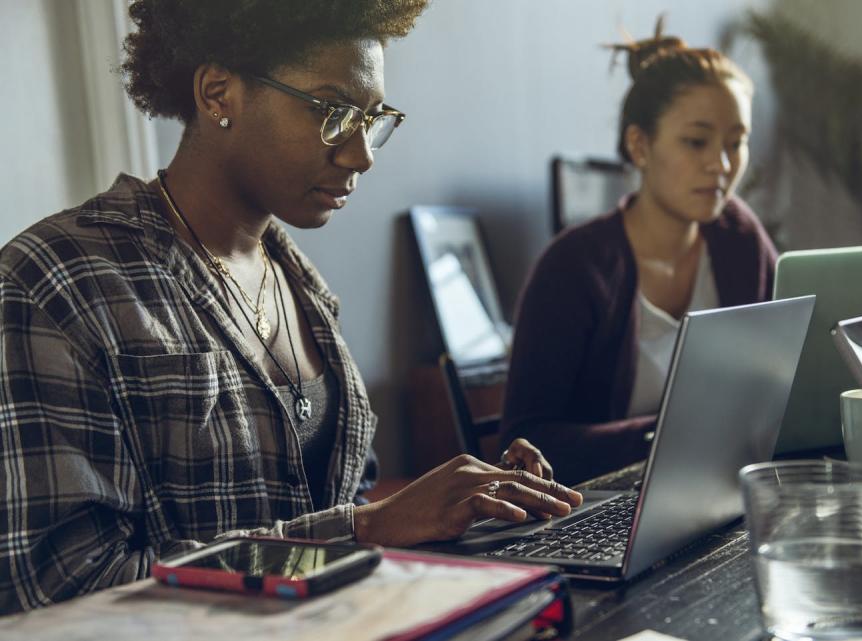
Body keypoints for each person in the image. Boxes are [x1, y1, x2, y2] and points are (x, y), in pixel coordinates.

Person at [0, 0, 581, 613]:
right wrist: (367, 528)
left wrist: (466, 503)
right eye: (333, 112)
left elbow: (343, 509)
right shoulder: (59, 281)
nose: (362, 154)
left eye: (372, 117)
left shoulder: (301, 285)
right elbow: (56, 586)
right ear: (218, 93)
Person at [500, 23, 778, 485]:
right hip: (593, 506)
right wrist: (667, 436)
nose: (722, 165)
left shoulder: (740, 240)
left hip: (717, 490)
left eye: (736, 142)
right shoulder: (573, 268)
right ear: (640, 145)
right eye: (697, 141)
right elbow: (525, 441)